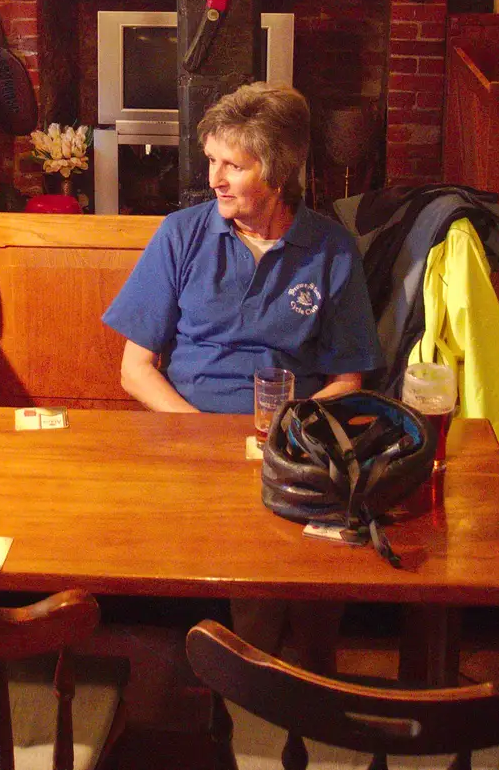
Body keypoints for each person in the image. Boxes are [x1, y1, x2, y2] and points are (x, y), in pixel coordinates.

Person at [103, 82, 383, 668]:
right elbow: (135, 370)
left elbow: (348, 380)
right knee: (256, 551)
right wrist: (201, 432)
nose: (215, 179)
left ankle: (304, 674)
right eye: (212, 161)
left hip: (293, 442)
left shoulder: (331, 250)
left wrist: (289, 435)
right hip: (189, 440)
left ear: (277, 173)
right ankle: (259, 687)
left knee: (315, 544)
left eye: (234, 164)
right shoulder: (181, 235)